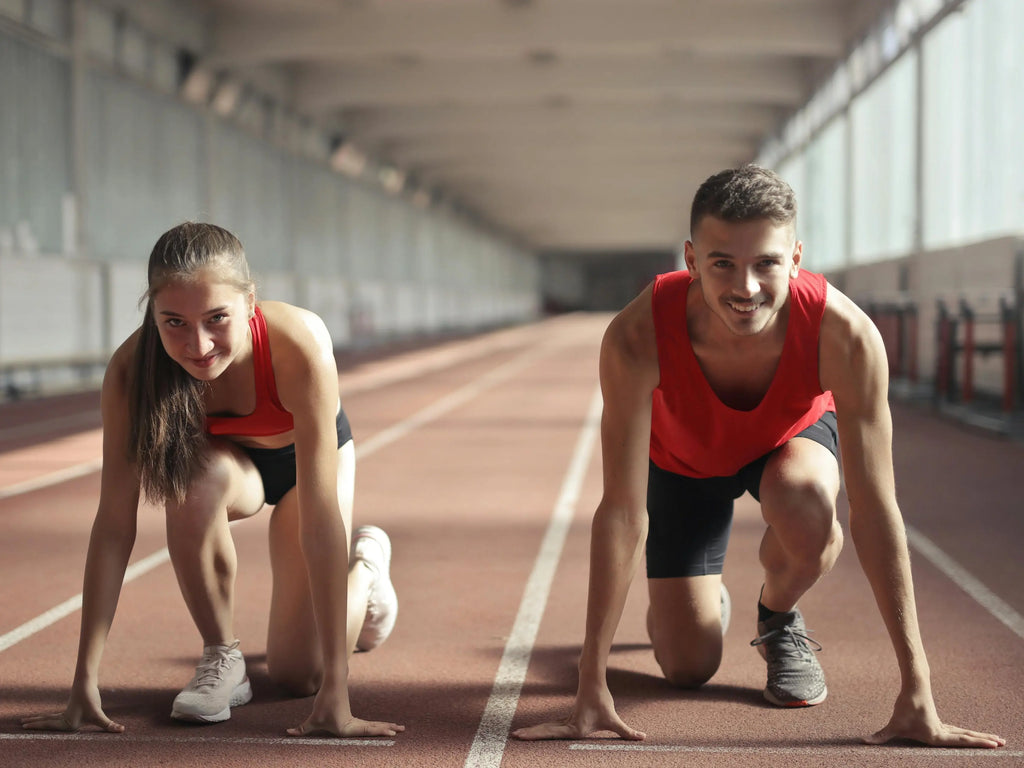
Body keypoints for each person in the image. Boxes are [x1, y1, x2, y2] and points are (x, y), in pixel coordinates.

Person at [512, 166, 1005, 749]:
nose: (745, 287)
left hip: (786, 444)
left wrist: (918, 688)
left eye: (765, 263)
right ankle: (696, 603)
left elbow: (876, 512)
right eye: (723, 263)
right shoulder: (636, 335)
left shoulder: (845, 336)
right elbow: (621, 510)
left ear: (795, 258)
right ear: (691, 260)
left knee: (809, 509)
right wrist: (589, 684)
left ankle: (777, 616)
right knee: (687, 667)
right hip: (682, 463)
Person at [21, 222, 403, 738]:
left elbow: (319, 519)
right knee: (190, 480)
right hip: (228, 468)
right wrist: (83, 682)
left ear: (250, 302)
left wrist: (338, 692)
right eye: (174, 321)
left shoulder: (299, 343)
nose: (197, 345)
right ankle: (223, 659)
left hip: (307, 464)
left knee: (299, 675)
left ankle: (367, 570)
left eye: (216, 318)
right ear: (152, 311)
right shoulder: (132, 372)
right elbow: (114, 525)